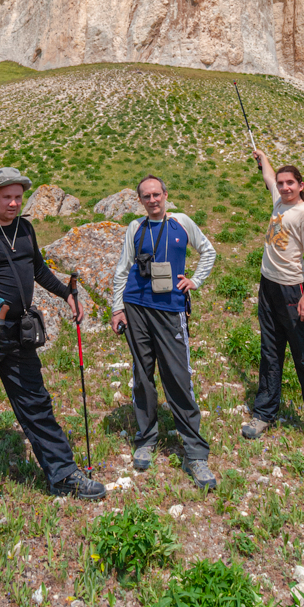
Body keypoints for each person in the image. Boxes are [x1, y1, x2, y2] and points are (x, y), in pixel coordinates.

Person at [0, 167, 106, 530]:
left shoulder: (26, 229)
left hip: (17, 334)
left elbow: (37, 268)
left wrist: (66, 293)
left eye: (19, 196)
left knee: (36, 404)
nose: (14, 203)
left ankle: (63, 474)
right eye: (7, 197)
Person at [111, 175, 218, 489]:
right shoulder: (136, 227)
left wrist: (194, 281)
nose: (152, 200)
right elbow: (122, 268)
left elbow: (208, 251)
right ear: (140, 200)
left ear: (166, 195)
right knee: (142, 374)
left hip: (171, 309)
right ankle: (146, 438)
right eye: (146, 196)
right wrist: (117, 308)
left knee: (178, 376)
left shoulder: (182, 222)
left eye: (156, 194)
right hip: (136, 307)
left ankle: (195, 453)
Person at [242, 150, 304, 452]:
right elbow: (267, 176)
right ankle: (264, 412)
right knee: (269, 352)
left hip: (294, 292)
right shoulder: (278, 200)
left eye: (290, 183)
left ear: (301, 185)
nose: (284, 187)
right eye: (281, 183)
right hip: (268, 287)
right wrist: (263, 158)